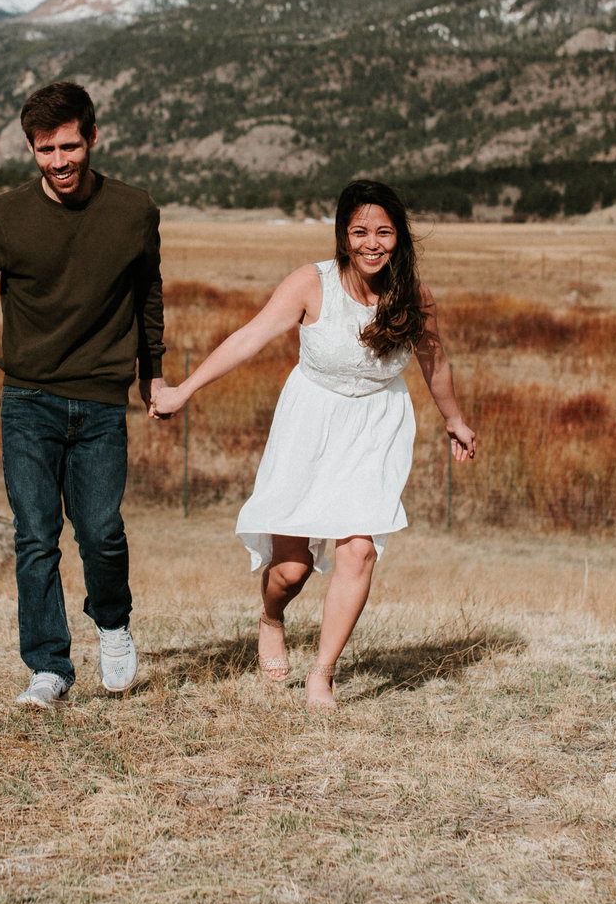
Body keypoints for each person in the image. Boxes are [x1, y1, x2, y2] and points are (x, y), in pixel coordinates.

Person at [149, 179, 476, 710]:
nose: (373, 243)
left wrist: (454, 420)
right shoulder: (311, 283)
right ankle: (271, 617)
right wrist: (183, 391)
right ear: (344, 236)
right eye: (360, 232)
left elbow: (434, 362)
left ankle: (321, 674)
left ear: (400, 238)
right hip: (309, 425)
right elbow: (249, 338)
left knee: (359, 549)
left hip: (376, 428)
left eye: (384, 232)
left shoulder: (413, 295)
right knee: (291, 570)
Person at [0, 80, 171, 709]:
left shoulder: (134, 211)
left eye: (70, 145)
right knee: (35, 535)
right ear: (31, 149)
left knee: (102, 531)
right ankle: (49, 666)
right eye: (45, 149)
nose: (60, 161)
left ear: (93, 137)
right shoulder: (4, 215)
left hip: (102, 403)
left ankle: (112, 623)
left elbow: (148, 296)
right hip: (28, 402)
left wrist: (150, 372)